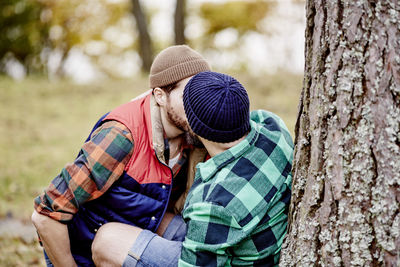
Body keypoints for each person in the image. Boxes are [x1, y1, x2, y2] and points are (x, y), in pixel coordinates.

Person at [31, 45, 211, 266]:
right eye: (189, 94)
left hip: (137, 227)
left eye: (203, 93)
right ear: (160, 96)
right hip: (87, 253)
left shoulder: (193, 132)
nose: (201, 103)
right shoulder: (122, 135)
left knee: (199, 238)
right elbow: (46, 213)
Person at [91, 71, 294, 266]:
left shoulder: (214, 201)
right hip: (249, 241)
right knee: (151, 219)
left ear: (195, 128)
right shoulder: (272, 126)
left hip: (231, 260)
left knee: (107, 241)